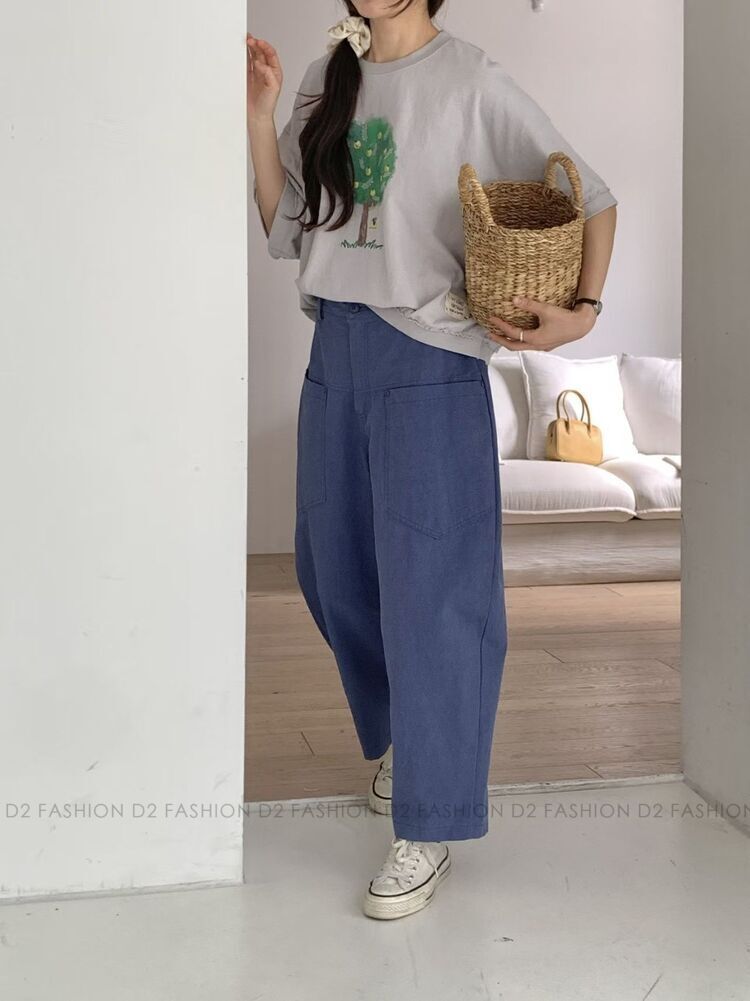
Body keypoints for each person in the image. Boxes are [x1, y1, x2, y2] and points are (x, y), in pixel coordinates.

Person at [247, 0, 617, 921]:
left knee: (438, 594)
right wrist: (260, 117)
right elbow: (288, 225)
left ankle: (431, 817)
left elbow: (594, 197)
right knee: (330, 568)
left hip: (430, 357)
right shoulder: (328, 75)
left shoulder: (472, 79)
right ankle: (406, 746)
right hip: (335, 347)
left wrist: (581, 313)